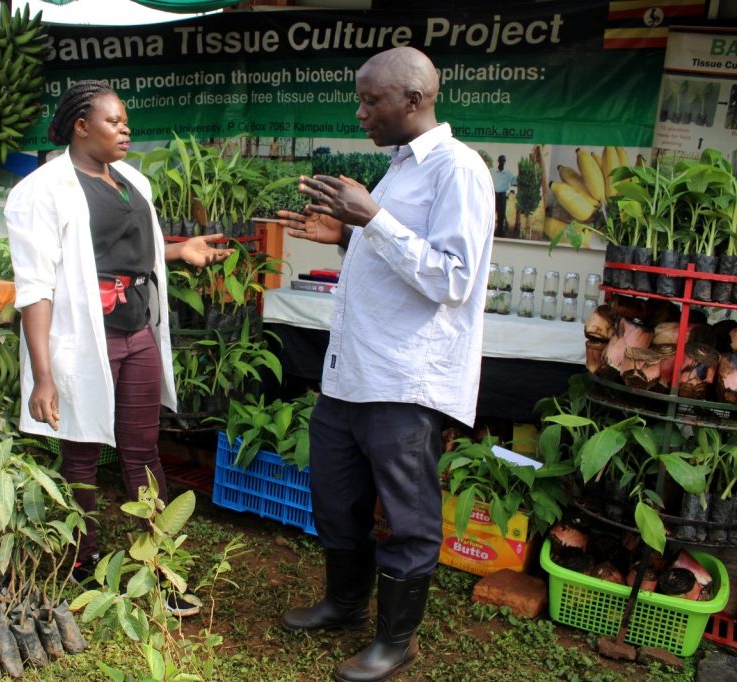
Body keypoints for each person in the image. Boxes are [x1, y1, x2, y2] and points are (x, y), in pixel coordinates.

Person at [277, 47, 494, 682]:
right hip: (352, 373)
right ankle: (344, 604)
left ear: (413, 100)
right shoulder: (399, 169)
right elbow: (399, 250)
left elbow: (452, 277)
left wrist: (370, 217)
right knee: (336, 497)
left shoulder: (459, 171)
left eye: (372, 100)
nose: (360, 110)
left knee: (406, 515)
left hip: (406, 378)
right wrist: (346, 234)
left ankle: (395, 641)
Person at [4, 80, 231, 613]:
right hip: (82, 339)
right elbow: (35, 286)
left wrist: (179, 252)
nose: (125, 129)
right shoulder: (41, 190)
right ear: (81, 126)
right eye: (114, 121)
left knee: (143, 450)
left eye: (126, 121)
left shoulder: (131, 181)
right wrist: (43, 375)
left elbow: (131, 254)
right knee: (80, 453)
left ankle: (153, 565)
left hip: (137, 332)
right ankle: (82, 560)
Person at [491, 154, 516, 237]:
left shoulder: (508, 173)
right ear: (498, 161)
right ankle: (489, 232)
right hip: (493, 195)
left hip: (502, 195)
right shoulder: (493, 171)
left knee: (501, 215)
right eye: (501, 160)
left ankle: (499, 232)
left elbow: (514, 182)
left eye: (504, 160)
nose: (502, 162)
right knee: (491, 214)